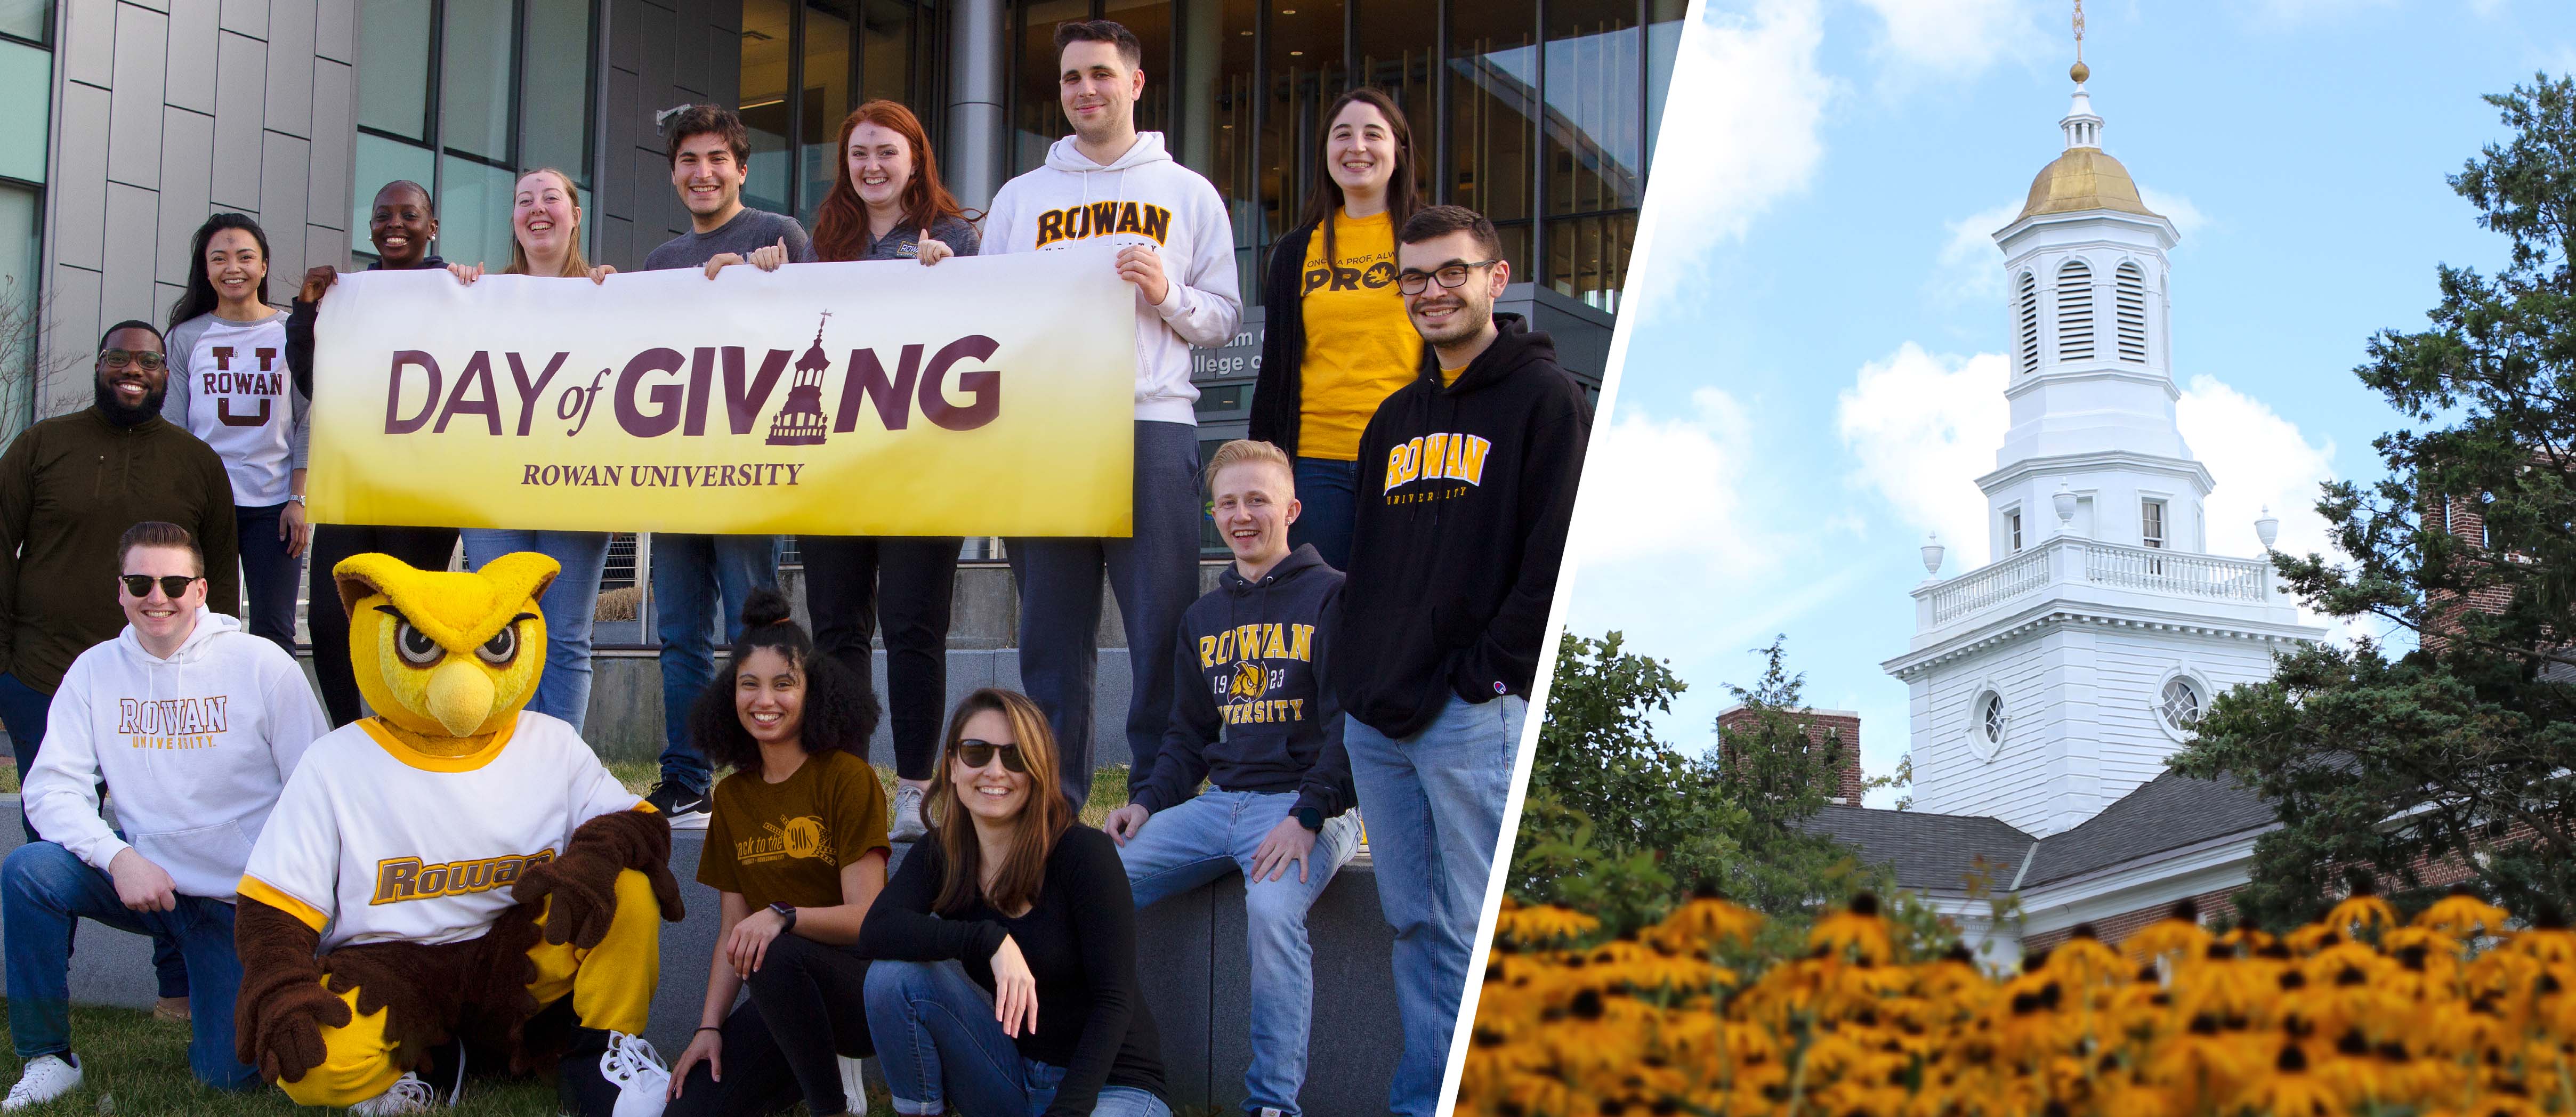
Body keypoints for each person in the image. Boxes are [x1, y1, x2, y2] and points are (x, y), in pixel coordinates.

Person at [1337, 205, 1588, 1116]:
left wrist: (1486, 672)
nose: (1430, 293)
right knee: (1411, 925)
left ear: (1495, 277)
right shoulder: (1393, 419)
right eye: (1413, 277)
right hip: (1379, 717)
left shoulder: (1543, 399)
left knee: (1470, 927)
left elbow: (1550, 551)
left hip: (1465, 711)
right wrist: (1355, 675)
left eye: (1450, 273)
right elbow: (1367, 562)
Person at [984, 19, 1241, 810]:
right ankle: (1051, 804)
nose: (1085, 90)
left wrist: (1168, 295)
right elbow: (982, 315)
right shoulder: (1022, 198)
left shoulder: (1187, 193)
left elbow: (1225, 317)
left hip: (1151, 423)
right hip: (1046, 430)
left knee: (1161, 627)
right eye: (1069, 78)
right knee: (1052, 639)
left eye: (1100, 73)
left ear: (1134, 83)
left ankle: (1158, 795)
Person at [0, 522, 328, 1108]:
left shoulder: (262, 665)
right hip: (146, 881)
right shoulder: (96, 670)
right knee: (30, 870)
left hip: (237, 902)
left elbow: (319, 787)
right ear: (120, 591)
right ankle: (48, 1056)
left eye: (175, 581)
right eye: (141, 581)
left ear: (202, 590)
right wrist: (118, 856)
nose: (159, 596)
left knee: (229, 1076)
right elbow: (50, 788)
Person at [1101, 440, 1358, 1117]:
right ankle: (1112, 1074)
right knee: (1091, 884)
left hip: (1309, 805)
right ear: (1213, 514)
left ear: (1292, 509)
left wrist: (1307, 816)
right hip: (1220, 806)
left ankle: (1272, 1104)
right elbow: (1185, 736)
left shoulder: (1334, 596)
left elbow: (1350, 728)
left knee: (1272, 912)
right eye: (1229, 503)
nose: (1243, 515)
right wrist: (1147, 803)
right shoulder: (1204, 618)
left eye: (1258, 500)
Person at [860, 688, 1168, 1117]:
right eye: (976, 752)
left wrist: (1068, 1111)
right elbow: (876, 932)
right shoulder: (943, 854)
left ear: (1037, 770)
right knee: (891, 979)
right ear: (951, 765)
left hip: (1112, 1089)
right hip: (1012, 1076)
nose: (995, 770)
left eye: (1014, 756)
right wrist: (984, 940)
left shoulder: (1082, 854)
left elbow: (1114, 1001)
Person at [801, 99, 978, 841]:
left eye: (886, 153)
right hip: (836, 463)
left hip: (922, 464)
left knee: (913, 628)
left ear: (915, 158)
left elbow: (987, 335)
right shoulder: (827, 239)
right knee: (838, 629)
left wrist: (957, 276)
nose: (871, 167)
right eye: (858, 155)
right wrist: (762, 276)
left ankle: (914, 790)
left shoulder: (958, 235)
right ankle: (844, 781)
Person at [639, 103, 810, 827]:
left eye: (717, 160)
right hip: (677, 476)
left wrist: (769, 277)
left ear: (741, 168)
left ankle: (767, 768)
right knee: (678, 633)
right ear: (675, 174)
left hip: (750, 476)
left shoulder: (780, 236)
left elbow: (825, 331)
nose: (702, 173)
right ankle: (685, 773)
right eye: (688, 161)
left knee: (755, 629)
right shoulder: (659, 264)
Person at [666, 590, 889, 1117]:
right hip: (784, 992)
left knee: (775, 944)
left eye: (784, 683)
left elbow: (867, 920)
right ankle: (808, 1059)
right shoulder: (736, 797)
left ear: (813, 691)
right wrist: (709, 1026)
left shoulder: (847, 778)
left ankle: (829, 1104)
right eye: (751, 684)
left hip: (861, 992)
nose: (766, 700)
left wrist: (783, 916)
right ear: (730, 694)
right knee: (690, 1109)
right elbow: (732, 930)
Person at [445, 168, 618, 731]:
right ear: (515, 220)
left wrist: (626, 303)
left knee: (565, 634)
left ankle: (560, 763)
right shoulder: (479, 296)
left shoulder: (610, 295)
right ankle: (510, 761)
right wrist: (454, 291)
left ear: (576, 215)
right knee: (505, 630)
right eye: (525, 201)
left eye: (551, 198)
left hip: (579, 487)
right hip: (494, 489)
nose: (538, 209)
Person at [289, 180, 461, 726]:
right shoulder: (349, 295)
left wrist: (473, 288)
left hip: (423, 488)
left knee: (408, 617)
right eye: (383, 214)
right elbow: (316, 383)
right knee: (329, 616)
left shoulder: (459, 290)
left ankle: (408, 728)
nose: (394, 224)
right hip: (353, 481)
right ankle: (346, 733)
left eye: (409, 215)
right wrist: (305, 311)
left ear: (431, 227)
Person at [1246, 88, 1426, 572]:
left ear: (1399, 150)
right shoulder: (1294, 251)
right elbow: (1277, 371)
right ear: (1326, 152)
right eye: (1341, 135)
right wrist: (1263, 469)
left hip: (1407, 456)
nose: (1357, 147)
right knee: (1322, 614)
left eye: (1374, 134)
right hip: (1315, 465)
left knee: (1403, 602)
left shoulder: (1426, 240)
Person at [163, 214, 311, 661]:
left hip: (275, 507)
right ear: (205, 270)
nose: (234, 268)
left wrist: (299, 499)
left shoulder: (292, 332)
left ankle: (276, 729)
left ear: (264, 266)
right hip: (208, 506)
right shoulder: (187, 337)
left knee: (275, 633)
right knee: (204, 628)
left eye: (245, 257)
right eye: (219, 258)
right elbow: (173, 431)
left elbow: (310, 421)